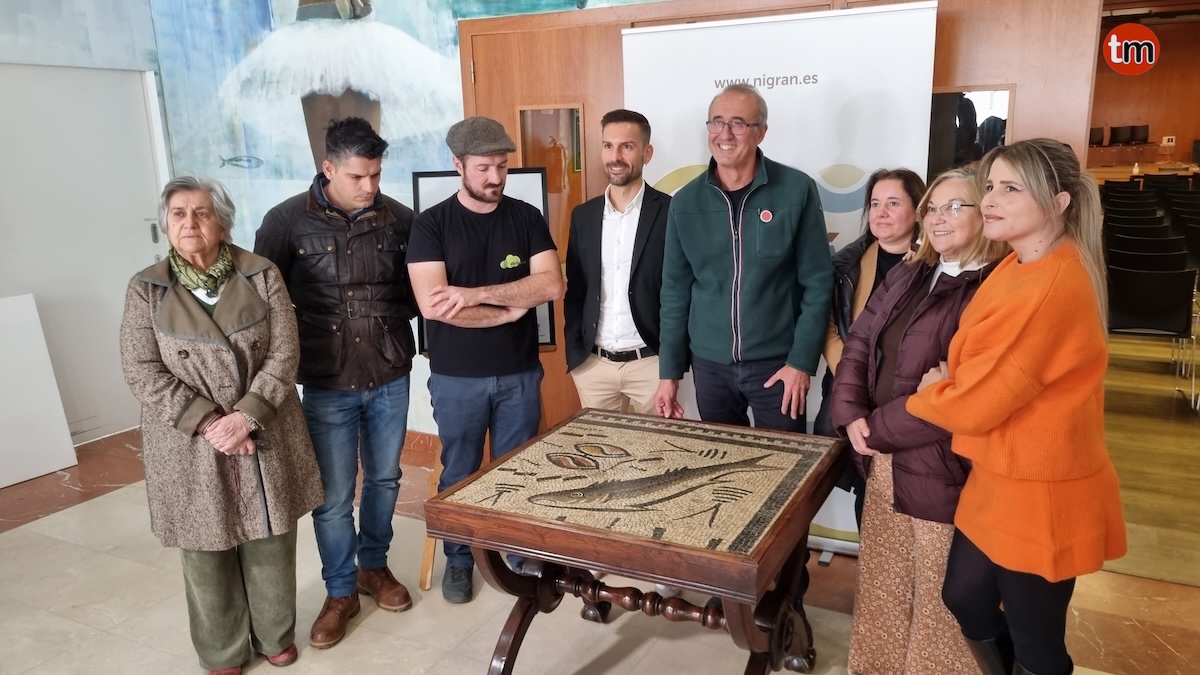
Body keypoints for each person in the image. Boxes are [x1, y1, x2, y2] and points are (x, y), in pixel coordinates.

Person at [907, 139, 1127, 675]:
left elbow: (977, 403)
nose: (990, 200)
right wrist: (955, 385)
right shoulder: (1020, 263)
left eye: (1011, 188)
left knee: (1037, 644)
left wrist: (933, 391)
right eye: (989, 186)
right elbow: (981, 378)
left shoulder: (1052, 283)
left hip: (1042, 488)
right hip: (1001, 474)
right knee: (966, 598)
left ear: (1059, 202)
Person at [654, 83, 834, 669]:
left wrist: (802, 361)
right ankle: (738, 592)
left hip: (777, 368)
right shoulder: (686, 201)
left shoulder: (795, 190)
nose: (724, 133)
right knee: (724, 485)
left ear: (761, 132)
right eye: (716, 121)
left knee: (784, 492)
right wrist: (669, 373)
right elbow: (675, 291)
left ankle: (791, 603)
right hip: (710, 369)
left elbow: (817, 284)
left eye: (738, 123)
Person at [120, 176, 324, 675]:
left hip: (264, 424)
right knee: (205, 542)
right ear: (166, 225)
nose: (189, 223)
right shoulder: (146, 288)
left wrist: (246, 416)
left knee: (270, 533)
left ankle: (275, 634)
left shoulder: (262, 274)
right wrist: (212, 422)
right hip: (189, 437)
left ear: (223, 222)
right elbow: (141, 368)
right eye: (178, 214)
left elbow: (285, 352)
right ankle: (222, 650)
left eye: (202, 213)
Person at [830, 167, 1009, 674]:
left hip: (945, 467)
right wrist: (851, 414)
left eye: (954, 206)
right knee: (883, 585)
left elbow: (962, 396)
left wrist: (877, 429)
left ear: (984, 214)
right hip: (882, 458)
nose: (938, 218)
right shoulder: (912, 272)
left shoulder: (994, 285)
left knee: (938, 599)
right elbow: (859, 342)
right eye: (933, 208)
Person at [255, 117, 419, 649]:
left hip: (390, 372)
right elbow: (265, 308)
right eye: (357, 176)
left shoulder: (401, 220)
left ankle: (374, 567)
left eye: (376, 174)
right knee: (333, 496)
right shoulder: (285, 223)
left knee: (385, 479)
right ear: (328, 168)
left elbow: (418, 294)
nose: (369, 186)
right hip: (326, 380)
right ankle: (340, 590)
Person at [407, 116, 565, 603]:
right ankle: (460, 559)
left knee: (518, 468)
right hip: (457, 377)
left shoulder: (526, 217)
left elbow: (551, 285)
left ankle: (515, 552)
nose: (495, 177)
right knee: (461, 469)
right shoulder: (431, 225)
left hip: (519, 372)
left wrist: (474, 294)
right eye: (484, 168)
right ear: (458, 165)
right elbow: (434, 305)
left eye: (502, 166)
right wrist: (508, 309)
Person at [814, 168, 926, 527]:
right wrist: (852, 376)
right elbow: (827, 327)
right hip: (853, 397)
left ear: (919, 210)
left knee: (910, 497)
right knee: (866, 493)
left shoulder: (939, 267)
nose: (881, 213)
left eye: (893, 203)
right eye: (875, 204)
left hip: (909, 403)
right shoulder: (847, 264)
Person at [564, 109, 670, 416]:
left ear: (647, 153)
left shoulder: (671, 212)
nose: (615, 157)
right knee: (600, 447)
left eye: (627, 146)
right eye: (608, 146)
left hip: (652, 364)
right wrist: (575, 351)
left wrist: (671, 363)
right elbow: (576, 291)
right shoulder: (583, 216)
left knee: (660, 445)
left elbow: (679, 293)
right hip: (593, 366)